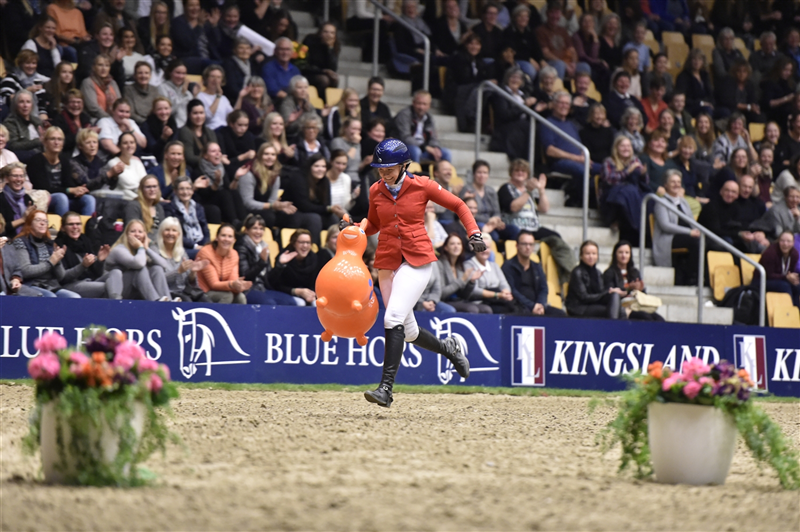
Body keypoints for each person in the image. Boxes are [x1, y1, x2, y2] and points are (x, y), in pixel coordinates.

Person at [349, 138, 480, 408]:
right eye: (380, 169)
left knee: (392, 317)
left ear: (404, 166)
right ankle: (449, 349)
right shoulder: (375, 190)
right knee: (407, 330)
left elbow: (459, 205)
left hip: (417, 259)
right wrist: (354, 227)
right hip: (387, 261)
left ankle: (386, 389)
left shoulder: (423, 185)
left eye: (389, 169)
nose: (384, 174)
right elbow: (373, 223)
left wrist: (474, 232)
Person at [498, 158, 575, 282]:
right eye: (517, 170)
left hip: (533, 227)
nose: (520, 173)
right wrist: (528, 191)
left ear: (527, 174)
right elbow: (513, 207)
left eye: (523, 171)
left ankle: (567, 270)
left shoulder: (531, 192)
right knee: (520, 237)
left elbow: (544, 209)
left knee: (555, 237)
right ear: (511, 173)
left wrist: (541, 191)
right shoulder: (506, 188)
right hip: (515, 226)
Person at [540, 91, 602, 205]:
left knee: (606, 169)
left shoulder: (571, 124)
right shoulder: (547, 123)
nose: (564, 106)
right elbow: (550, 150)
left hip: (579, 160)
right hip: (560, 162)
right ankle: (581, 204)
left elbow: (579, 146)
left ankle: (600, 204)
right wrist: (577, 158)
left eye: (567, 104)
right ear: (553, 104)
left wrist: (584, 158)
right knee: (582, 171)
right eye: (561, 103)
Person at [12, 208, 83, 298]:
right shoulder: (21, 242)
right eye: (38, 220)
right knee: (51, 298)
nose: (42, 223)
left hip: (51, 286)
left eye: (45, 221)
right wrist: (51, 262)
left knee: (74, 297)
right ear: (30, 223)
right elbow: (25, 271)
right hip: (31, 285)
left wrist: (58, 260)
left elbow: (61, 276)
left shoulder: (50, 244)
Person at [28, 126, 95, 217]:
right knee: (61, 198)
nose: (56, 142)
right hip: (44, 200)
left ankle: (88, 229)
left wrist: (79, 190)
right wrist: (70, 190)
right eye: (53, 139)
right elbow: (42, 188)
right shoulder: (36, 160)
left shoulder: (64, 160)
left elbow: (68, 183)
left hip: (64, 198)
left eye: (60, 139)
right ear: (45, 142)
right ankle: (63, 229)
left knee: (89, 199)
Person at [234, 214, 296, 306]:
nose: (258, 232)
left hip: (263, 288)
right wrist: (262, 262)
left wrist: (279, 264)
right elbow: (244, 275)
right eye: (255, 228)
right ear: (247, 230)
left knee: (290, 302)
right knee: (269, 303)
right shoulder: (241, 246)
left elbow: (269, 279)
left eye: (261, 229)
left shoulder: (264, 247)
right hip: (248, 289)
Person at [502, 230, 567, 316]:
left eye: (531, 244)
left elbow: (543, 288)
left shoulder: (536, 266)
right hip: (517, 306)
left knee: (560, 314)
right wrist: (532, 306)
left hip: (536, 306)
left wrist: (540, 305)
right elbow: (512, 291)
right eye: (524, 244)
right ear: (517, 246)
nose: (528, 247)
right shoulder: (508, 266)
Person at [54, 211, 118, 298]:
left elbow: (97, 273)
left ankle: (117, 302)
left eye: (78, 224)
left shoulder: (86, 241)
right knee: (106, 287)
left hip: (90, 281)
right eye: (71, 224)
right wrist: (83, 266)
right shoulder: (58, 246)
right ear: (63, 228)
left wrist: (99, 260)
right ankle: (117, 306)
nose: (75, 227)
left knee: (116, 273)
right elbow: (63, 278)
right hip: (71, 284)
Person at [105, 218, 173, 300]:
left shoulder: (146, 248)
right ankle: (155, 301)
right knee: (141, 269)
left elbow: (164, 265)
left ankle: (168, 302)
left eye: (140, 232)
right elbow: (139, 264)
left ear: (145, 235)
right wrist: (140, 248)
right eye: (133, 231)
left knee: (157, 269)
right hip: (116, 289)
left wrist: (147, 249)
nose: (137, 234)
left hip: (138, 290)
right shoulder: (119, 249)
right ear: (126, 234)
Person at [653, 170, 701, 284]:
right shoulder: (661, 202)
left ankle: (702, 277)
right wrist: (689, 232)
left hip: (687, 235)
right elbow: (666, 226)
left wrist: (699, 231)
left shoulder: (683, 202)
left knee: (706, 241)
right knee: (695, 242)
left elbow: (691, 222)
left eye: (678, 182)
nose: (676, 185)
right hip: (669, 238)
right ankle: (692, 277)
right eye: (673, 182)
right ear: (665, 184)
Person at [600, 135, 649, 243]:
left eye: (628, 146)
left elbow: (645, 182)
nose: (626, 148)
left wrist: (643, 174)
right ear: (616, 148)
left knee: (649, 199)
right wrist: (627, 171)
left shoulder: (635, 160)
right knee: (626, 193)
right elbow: (609, 180)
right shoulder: (608, 161)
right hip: (612, 194)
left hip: (633, 193)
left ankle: (643, 233)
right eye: (622, 146)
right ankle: (621, 222)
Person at [150, 216, 209, 301]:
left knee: (205, 300)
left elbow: (188, 282)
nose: (170, 233)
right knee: (187, 301)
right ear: (161, 232)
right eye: (167, 230)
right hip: (166, 294)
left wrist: (192, 273)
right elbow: (158, 280)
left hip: (183, 291)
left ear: (178, 234)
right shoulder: (154, 250)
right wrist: (178, 272)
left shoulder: (181, 252)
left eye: (174, 230)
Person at [603, 240, 665, 321]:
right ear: (615, 254)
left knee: (659, 319)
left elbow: (642, 293)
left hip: (637, 304)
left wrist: (640, 289)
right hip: (624, 307)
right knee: (646, 317)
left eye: (627, 252)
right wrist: (628, 289)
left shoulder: (634, 272)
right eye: (620, 252)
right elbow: (610, 292)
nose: (624, 255)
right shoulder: (609, 272)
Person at [238, 143, 296, 228]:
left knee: (290, 217)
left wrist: (279, 206)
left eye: (273, 154)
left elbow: (272, 200)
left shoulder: (275, 175)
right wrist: (272, 206)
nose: (270, 157)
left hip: (265, 209)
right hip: (246, 211)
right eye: (266, 154)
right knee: (268, 216)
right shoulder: (249, 173)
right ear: (259, 155)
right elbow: (247, 202)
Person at [565, 240, 626, 319]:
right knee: (612, 310)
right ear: (581, 256)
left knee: (618, 304)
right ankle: (612, 329)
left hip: (593, 304)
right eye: (587, 254)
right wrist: (606, 293)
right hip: (579, 307)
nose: (591, 257)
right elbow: (584, 297)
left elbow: (600, 292)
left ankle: (616, 330)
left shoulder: (598, 273)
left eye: (594, 254)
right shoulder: (577, 272)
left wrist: (611, 292)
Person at [195, 223, 250, 304]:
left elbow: (233, 280)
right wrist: (233, 284)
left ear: (234, 240)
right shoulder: (206, 252)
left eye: (230, 236)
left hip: (224, 290)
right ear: (217, 237)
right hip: (203, 292)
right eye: (223, 235)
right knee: (227, 296)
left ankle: (240, 317)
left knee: (241, 297)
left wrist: (239, 286)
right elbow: (213, 284)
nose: (226, 239)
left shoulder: (234, 254)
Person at [489, 67, 534, 161]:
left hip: (522, 126)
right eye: (512, 77)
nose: (515, 80)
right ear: (507, 79)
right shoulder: (501, 93)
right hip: (506, 126)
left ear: (522, 82)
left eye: (518, 78)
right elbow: (504, 115)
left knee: (536, 127)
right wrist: (524, 106)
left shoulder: (522, 95)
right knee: (526, 126)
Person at [394, 90, 451, 164]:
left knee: (446, 153)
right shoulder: (404, 115)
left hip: (425, 149)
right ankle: (416, 174)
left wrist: (436, 148)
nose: (421, 107)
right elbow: (406, 138)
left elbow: (433, 137)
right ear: (413, 103)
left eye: (424, 104)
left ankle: (442, 174)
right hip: (405, 147)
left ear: (429, 105)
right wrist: (426, 148)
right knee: (416, 151)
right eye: (419, 103)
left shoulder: (429, 118)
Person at [437, 233, 489, 314]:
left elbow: (464, 296)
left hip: (458, 301)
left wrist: (471, 281)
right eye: (452, 244)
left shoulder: (460, 266)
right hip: (444, 301)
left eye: (459, 244)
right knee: (472, 309)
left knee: (486, 309)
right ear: (446, 247)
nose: (456, 246)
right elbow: (441, 293)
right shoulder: (439, 264)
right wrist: (462, 280)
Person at [536, 1, 588, 80]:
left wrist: (574, 63)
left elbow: (572, 50)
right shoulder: (540, 30)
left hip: (567, 62)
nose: (554, 16)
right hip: (552, 63)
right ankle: (557, 89)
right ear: (547, 14)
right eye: (552, 13)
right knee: (559, 65)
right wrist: (564, 64)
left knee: (584, 66)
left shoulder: (563, 31)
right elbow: (545, 53)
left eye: (557, 13)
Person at [267, 228, 320, 307]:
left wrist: (311, 293)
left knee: (316, 304)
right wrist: (296, 291)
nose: (305, 245)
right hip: (286, 293)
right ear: (294, 243)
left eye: (308, 243)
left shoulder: (314, 259)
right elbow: (274, 284)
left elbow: (315, 283)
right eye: (301, 242)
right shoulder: (284, 257)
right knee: (300, 303)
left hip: (307, 294)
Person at [754, 231, 800, 308]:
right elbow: (769, 275)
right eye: (782, 241)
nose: (785, 244)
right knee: (785, 286)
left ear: (793, 243)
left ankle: (796, 312)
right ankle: (787, 312)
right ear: (778, 241)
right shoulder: (770, 253)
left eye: (789, 241)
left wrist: (793, 278)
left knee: (797, 286)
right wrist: (786, 277)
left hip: (781, 279)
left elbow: (790, 272)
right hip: (761, 280)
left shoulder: (794, 254)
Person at [3, 90, 45, 163]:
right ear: (16, 105)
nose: (25, 105)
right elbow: (13, 145)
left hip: (40, 154)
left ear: (32, 105)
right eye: (21, 102)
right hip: (24, 157)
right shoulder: (10, 122)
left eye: (28, 102)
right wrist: (38, 141)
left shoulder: (37, 121)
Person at [301, 22, 340, 100]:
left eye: (332, 33)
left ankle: (329, 104)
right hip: (308, 72)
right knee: (324, 80)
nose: (328, 35)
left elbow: (333, 68)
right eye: (326, 32)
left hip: (323, 73)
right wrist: (323, 71)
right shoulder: (310, 40)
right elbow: (304, 64)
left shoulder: (334, 45)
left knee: (335, 79)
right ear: (320, 32)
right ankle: (319, 102)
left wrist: (330, 49)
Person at [103, 132, 147, 200]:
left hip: (141, 197)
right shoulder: (113, 163)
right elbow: (128, 184)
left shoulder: (137, 163)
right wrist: (145, 189)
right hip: (122, 201)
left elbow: (146, 182)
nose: (129, 145)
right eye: (125, 143)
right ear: (119, 146)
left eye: (132, 142)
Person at [178, 99, 218, 173]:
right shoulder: (185, 131)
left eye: (201, 113)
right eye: (195, 113)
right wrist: (210, 159)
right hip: (194, 168)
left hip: (210, 166)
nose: (199, 116)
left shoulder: (210, 131)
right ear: (189, 115)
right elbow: (189, 157)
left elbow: (216, 151)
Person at [50, 89, 93, 154]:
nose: (76, 105)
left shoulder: (85, 118)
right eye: (72, 102)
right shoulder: (59, 119)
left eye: (78, 102)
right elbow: (62, 142)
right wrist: (82, 134)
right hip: (67, 154)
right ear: (66, 104)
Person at [157, 59, 197, 128]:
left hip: (189, 127)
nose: (180, 76)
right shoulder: (162, 88)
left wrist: (195, 96)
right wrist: (182, 94)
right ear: (170, 73)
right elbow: (169, 111)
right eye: (178, 73)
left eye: (183, 73)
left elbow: (194, 112)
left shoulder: (187, 93)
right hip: (171, 127)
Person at [675, 48, 715, 117]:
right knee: (707, 110)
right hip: (691, 107)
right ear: (690, 61)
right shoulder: (683, 76)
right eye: (694, 59)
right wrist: (701, 103)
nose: (697, 62)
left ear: (703, 62)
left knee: (724, 111)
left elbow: (710, 93)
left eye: (699, 59)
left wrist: (710, 103)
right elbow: (684, 98)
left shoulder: (704, 75)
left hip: (706, 105)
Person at [80, 54, 121, 120]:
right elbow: (93, 108)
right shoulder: (88, 82)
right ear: (94, 67)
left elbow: (120, 103)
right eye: (100, 65)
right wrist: (110, 119)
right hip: (95, 119)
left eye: (107, 65)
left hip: (115, 119)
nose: (103, 68)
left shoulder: (113, 83)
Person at [216, 109, 257, 176]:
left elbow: (252, 155)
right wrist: (243, 157)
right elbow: (225, 161)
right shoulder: (222, 135)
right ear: (231, 124)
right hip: (228, 170)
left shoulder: (249, 135)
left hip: (246, 167)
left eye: (246, 125)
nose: (243, 128)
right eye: (240, 125)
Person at [123, 175, 165, 241]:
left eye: (154, 186)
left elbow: (162, 231)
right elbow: (133, 232)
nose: (152, 190)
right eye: (148, 187)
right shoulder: (134, 206)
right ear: (141, 190)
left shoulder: (159, 208)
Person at [0, 163, 35, 239]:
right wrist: (23, 219)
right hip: (6, 240)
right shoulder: (1, 199)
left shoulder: (27, 198)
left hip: (27, 239)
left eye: (21, 176)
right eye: (15, 176)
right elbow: (2, 228)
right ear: (6, 179)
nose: (19, 179)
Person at [639, 129, 678, 194]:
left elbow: (678, 176)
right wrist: (656, 188)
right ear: (649, 143)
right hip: (651, 194)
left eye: (663, 141)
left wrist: (682, 188)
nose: (660, 144)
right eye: (656, 140)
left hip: (671, 194)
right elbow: (643, 180)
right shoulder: (644, 159)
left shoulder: (669, 162)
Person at [760, 56, 795, 128]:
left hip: (788, 111)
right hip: (774, 113)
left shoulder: (790, 83)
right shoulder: (770, 83)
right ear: (779, 69)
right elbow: (768, 103)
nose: (788, 73)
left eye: (790, 71)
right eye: (785, 70)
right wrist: (786, 99)